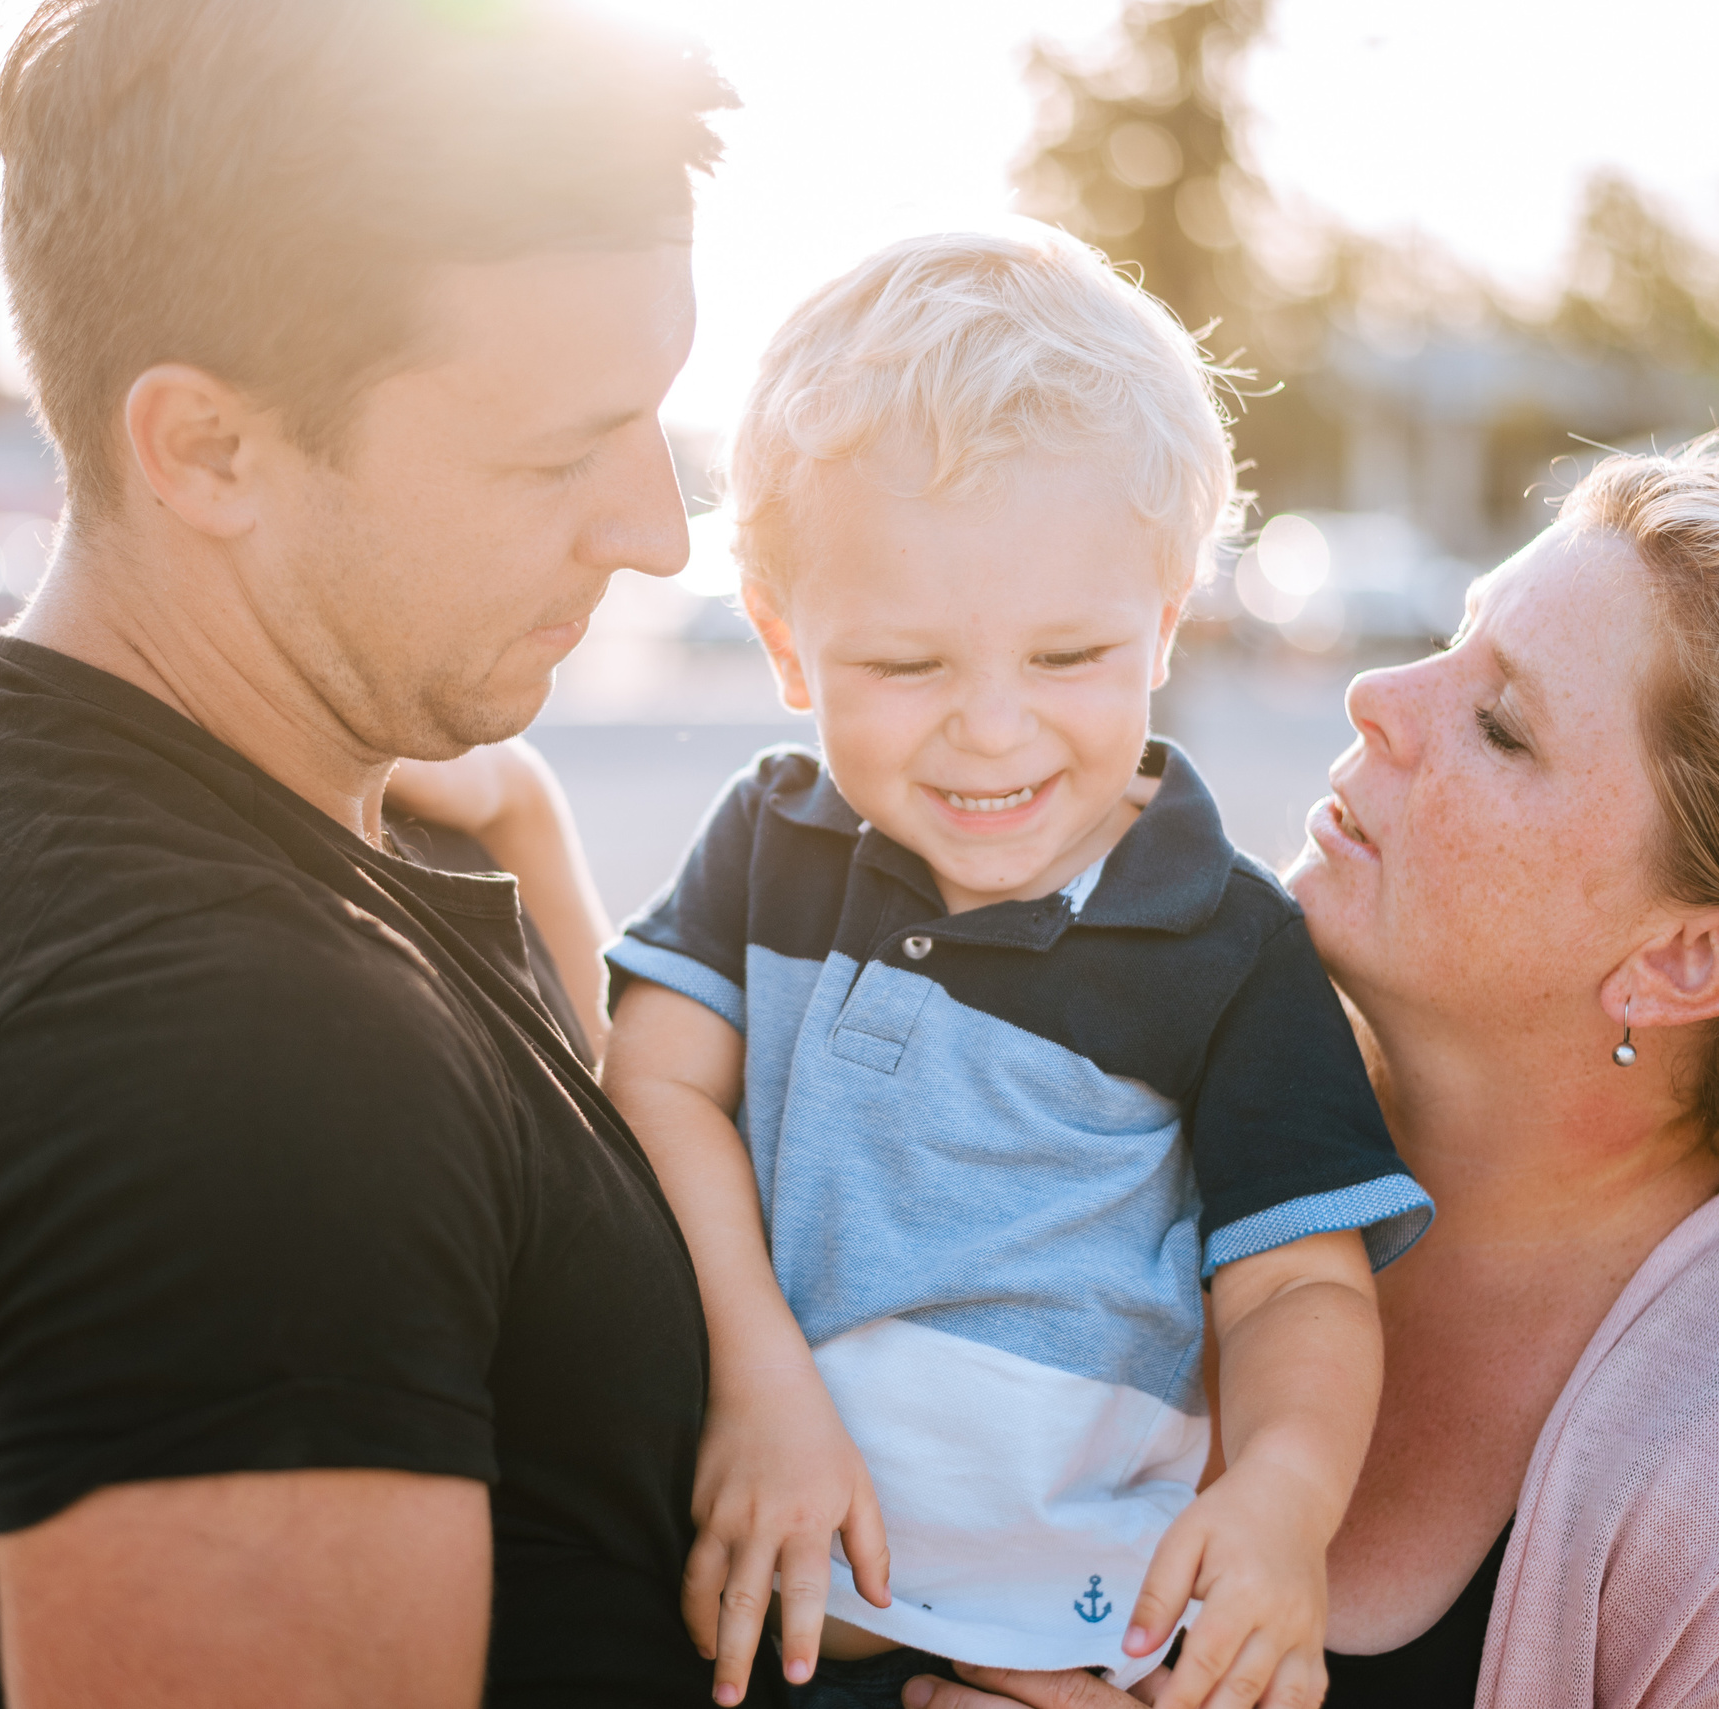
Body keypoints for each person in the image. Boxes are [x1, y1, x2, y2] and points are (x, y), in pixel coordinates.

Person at [0, 2, 757, 1704]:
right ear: (207, 449)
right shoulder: (228, 1057)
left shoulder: (235, 805)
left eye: (656, 417)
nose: (659, 533)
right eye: (556, 450)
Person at [893, 439, 1719, 1709]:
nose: (1376, 693)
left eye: (1501, 724)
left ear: (1687, 957)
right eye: (1449, 638)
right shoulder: (1103, 1083)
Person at [599, 230, 1434, 1709]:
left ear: (1164, 624)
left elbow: (1292, 1289)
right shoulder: (770, 842)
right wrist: (757, 1367)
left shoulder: (1228, 945)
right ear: (787, 647)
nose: (991, 730)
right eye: (906, 665)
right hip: (755, 1592)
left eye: (1066, 658)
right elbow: (655, 1082)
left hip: (1077, 1644)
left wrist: (1285, 1502)